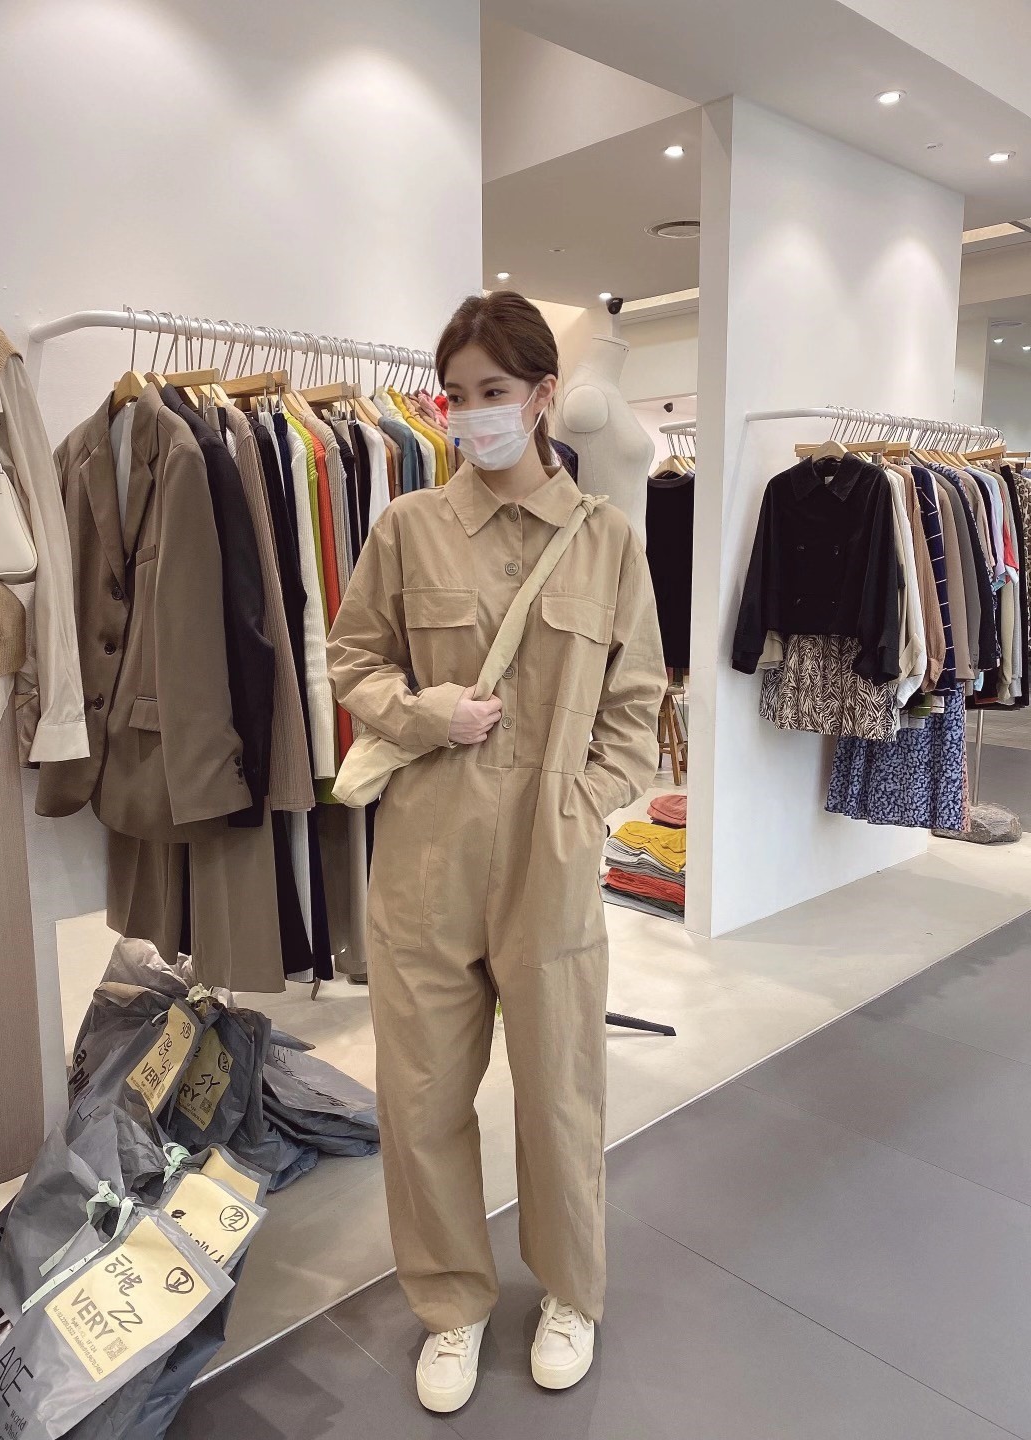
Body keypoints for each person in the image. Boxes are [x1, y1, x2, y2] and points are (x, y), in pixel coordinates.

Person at [326, 291, 666, 1414]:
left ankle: (570, 1292)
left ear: (541, 395)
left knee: (561, 1090)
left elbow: (637, 702)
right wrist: (422, 713)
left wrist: (584, 807)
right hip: (424, 856)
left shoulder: (608, 541)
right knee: (421, 1094)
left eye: (493, 392)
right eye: (456, 395)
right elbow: (352, 661)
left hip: (549, 861)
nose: (472, 413)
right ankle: (450, 1303)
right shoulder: (404, 528)